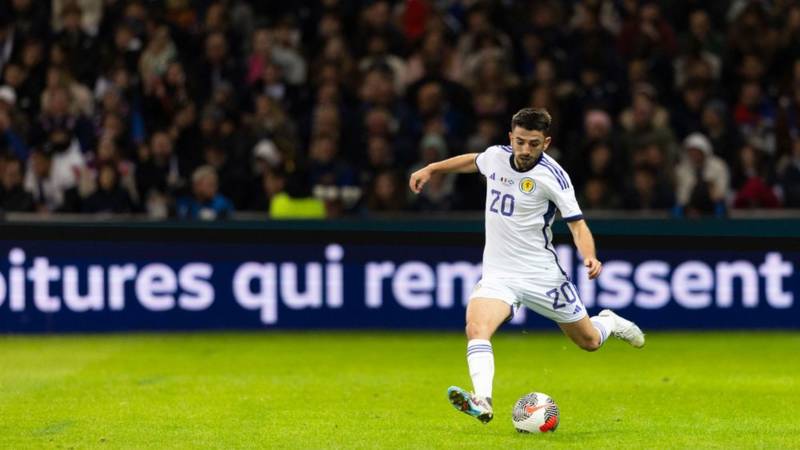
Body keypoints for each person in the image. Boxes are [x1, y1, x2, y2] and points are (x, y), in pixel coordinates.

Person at [408, 108, 645, 424]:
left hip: (541, 275)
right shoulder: (496, 157)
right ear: (511, 137)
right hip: (499, 275)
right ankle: (483, 400)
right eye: (519, 141)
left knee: (588, 341)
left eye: (533, 144)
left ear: (546, 143)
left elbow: (577, 225)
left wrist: (590, 255)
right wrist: (432, 168)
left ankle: (609, 321)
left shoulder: (554, 177)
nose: (524, 149)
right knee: (476, 328)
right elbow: (473, 161)